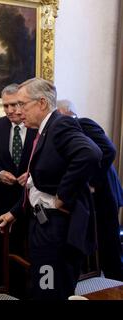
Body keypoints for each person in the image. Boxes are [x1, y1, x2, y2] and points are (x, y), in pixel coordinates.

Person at [0, 78, 102, 300]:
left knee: (50, 290)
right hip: (44, 226)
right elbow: (36, 183)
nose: (18, 110)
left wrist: (62, 196)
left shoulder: (60, 125)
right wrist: (15, 212)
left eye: (22, 104)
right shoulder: (42, 130)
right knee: (43, 287)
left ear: (42, 103)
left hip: (57, 230)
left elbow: (90, 154)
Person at [0, 83, 37, 297]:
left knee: (31, 250)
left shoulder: (36, 126)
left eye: (15, 105)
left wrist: (32, 176)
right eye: (5, 106)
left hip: (32, 201)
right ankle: (10, 288)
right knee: (7, 251)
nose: (10, 110)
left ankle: (32, 290)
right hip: (4, 200)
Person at [57, 99, 123, 281]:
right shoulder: (68, 131)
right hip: (91, 193)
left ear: (65, 112)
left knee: (110, 238)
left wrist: (92, 180)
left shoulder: (83, 123)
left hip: (105, 190)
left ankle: (116, 281)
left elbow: (109, 150)